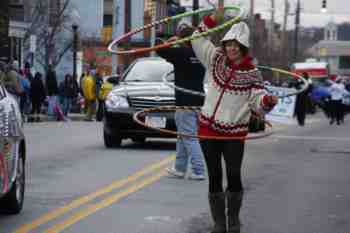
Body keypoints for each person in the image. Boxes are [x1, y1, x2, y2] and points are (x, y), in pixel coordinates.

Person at [191, 12, 278, 233]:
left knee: (233, 174)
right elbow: (196, 39)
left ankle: (234, 220)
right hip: (207, 129)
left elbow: (257, 100)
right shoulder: (215, 59)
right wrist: (211, 19)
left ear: (243, 48)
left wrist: (267, 101)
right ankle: (219, 223)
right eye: (229, 44)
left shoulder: (253, 74)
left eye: (236, 45)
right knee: (214, 176)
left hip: (233, 132)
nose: (231, 49)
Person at [157, 24, 206, 180]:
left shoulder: (181, 53)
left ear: (183, 39)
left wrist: (172, 41)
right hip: (198, 101)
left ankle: (199, 170)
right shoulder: (201, 54)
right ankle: (179, 168)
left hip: (184, 102)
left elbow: (159, 49)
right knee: (183, 135)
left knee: (189, 137)